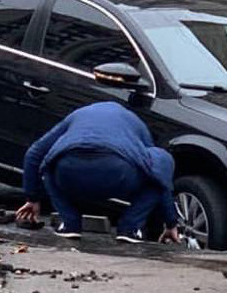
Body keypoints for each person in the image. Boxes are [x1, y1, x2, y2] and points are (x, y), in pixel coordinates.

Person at [16, 102, 181, 244]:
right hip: (117, 173)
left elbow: (34, 153)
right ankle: (129, 228)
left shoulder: (76, 116)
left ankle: (70, 224)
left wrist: (32, 198)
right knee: (161, 161)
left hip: (68, 173)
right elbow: (158, 174)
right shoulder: (134, 120)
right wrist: (171, 222)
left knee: (49, 165)